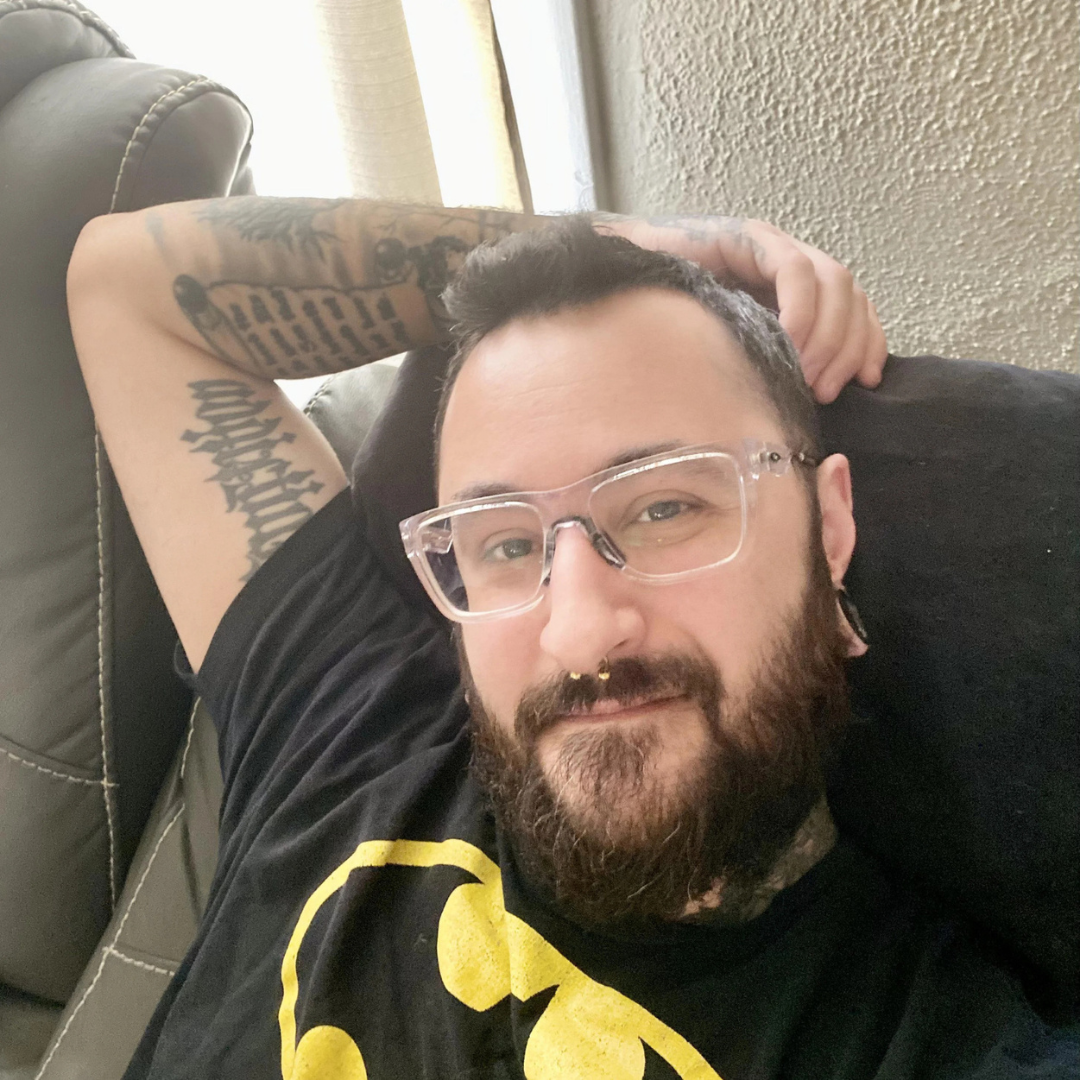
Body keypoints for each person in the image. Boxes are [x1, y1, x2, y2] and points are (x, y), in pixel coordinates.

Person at [65, 202, 1069, 1078]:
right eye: (504, 543)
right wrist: (633, 241)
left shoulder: (945, 1043)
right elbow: (126, 284)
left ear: (830, 526)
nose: (581, 629)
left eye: (667, 508)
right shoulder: (339, 715)